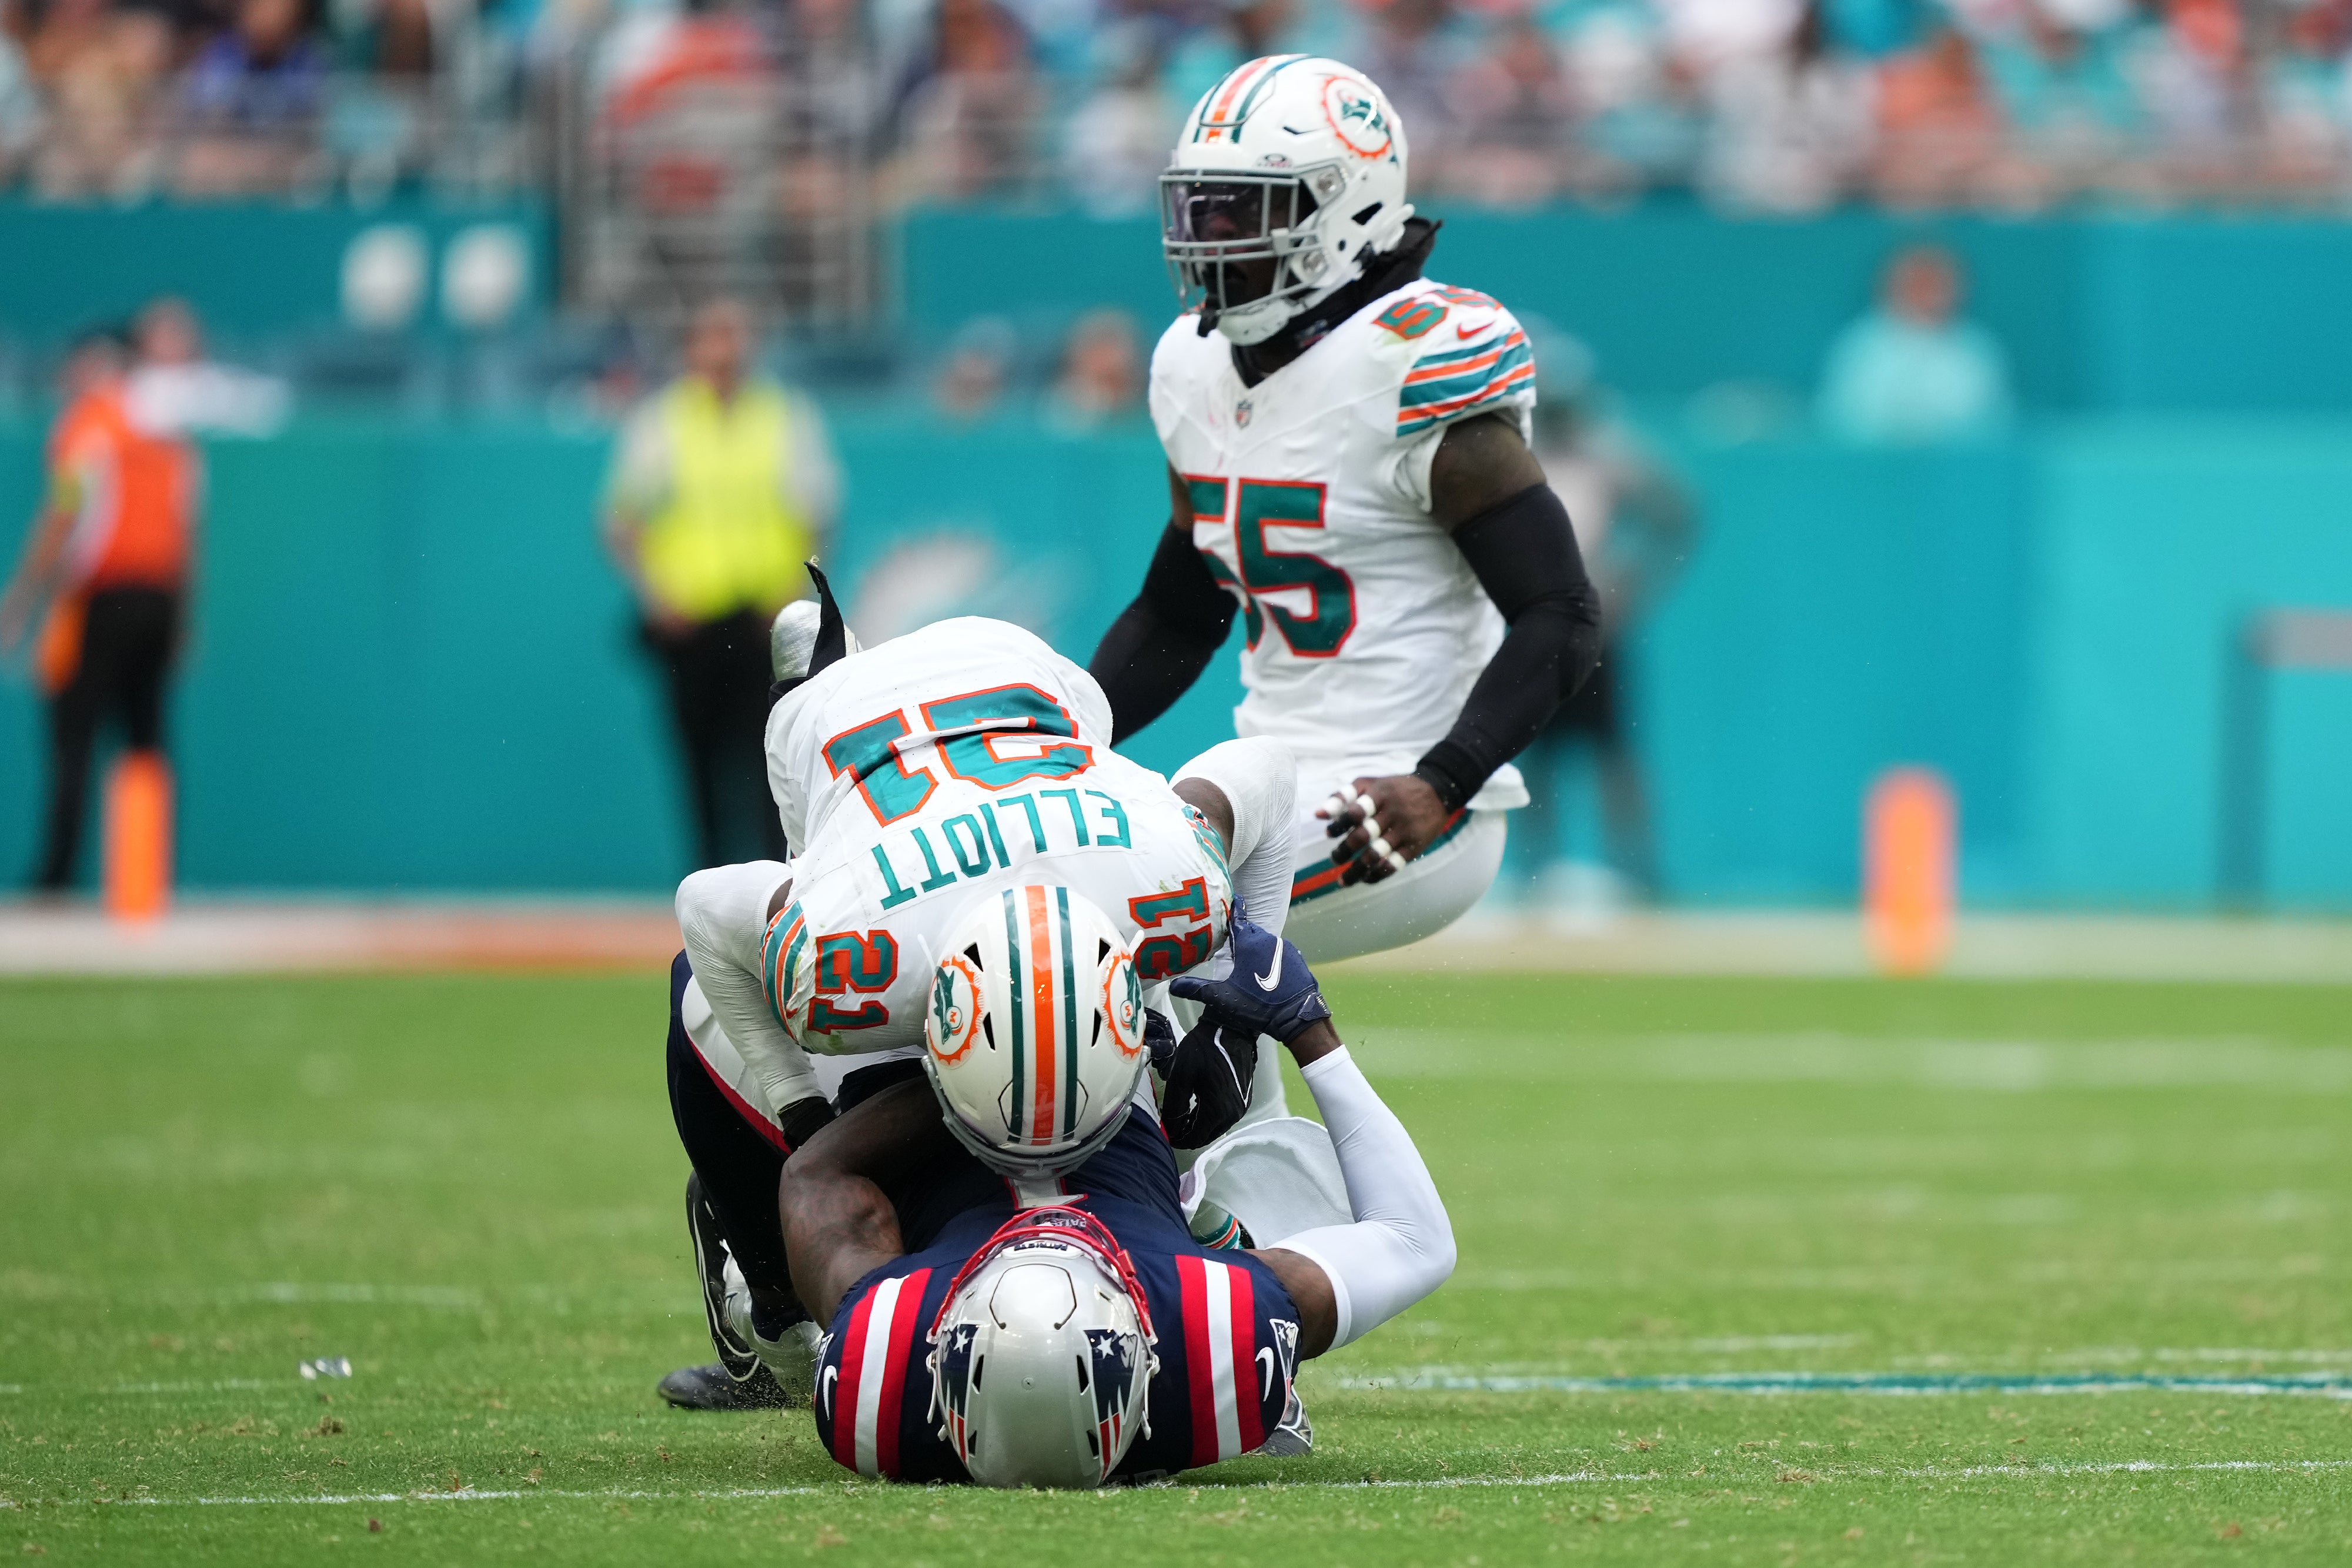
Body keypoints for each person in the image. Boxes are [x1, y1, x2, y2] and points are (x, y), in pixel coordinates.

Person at [656, 582, 1305, 1408]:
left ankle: (1171, 1139)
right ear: (940, 1019)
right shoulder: (846, 954)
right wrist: (805, 1126)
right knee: (695, 992)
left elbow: (1270, 774)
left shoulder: (1163, 877)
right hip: (842, 734)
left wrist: (1235, 1018)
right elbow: (706, 911)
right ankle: (772, 1316)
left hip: (1038, 686)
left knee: (1172, 1060)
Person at [1088, 57, 1603, 985]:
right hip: (1264, 778)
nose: (1211, 236)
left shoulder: (1412, 364)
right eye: (1201, 208)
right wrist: (1056, 740)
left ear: (1346, 207)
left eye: (1244, 210)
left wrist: (1443, 780)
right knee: (1064, 906)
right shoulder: (1190, 367)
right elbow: (1178, 611)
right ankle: (1247, 1135)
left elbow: (1563, 612)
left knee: (1123, 941)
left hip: (1401, 803)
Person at [784, 909, 1453, 1485]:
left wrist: (967, 1075)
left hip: (911, 1092)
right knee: (1247, 790)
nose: (1049, 1236)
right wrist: (1306, 1026)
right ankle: (1206, 1224)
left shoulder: (879, 1374)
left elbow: (815, 1174)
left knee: (728, 965)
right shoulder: (1213, 1336)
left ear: (941, 1345)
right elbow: (1415, 1239)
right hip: (1121, 1109)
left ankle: (755, 1302)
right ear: (1145, 1345)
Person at [603, 298, 841, 870]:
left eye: (732, 337)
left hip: (762, 620)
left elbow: (818, 512)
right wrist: (657, 596)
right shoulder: (663, 420)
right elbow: (622, 522)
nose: (724, 351)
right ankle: (709, 882)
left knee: (773, 763)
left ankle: (772, 882)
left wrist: (792, 588)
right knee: (699, 765)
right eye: (712, 337)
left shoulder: (783, 416)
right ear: (692, 348)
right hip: (693, 622)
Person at [0, 327, 191, 892]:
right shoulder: (167, 435)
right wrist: (183, 616)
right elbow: (189, 528)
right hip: (160, 598)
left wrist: (18, 602)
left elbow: (62, 517)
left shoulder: (89, 427)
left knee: (74, 736)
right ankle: (144, 882)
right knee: (146, 741)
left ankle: (58, 877)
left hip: (102, 598)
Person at [1516, 332, 1698, 907]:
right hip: (1537, 622)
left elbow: (1677, 514)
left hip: (1594, 625)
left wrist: (1631, 582)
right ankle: (1536, 873)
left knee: (1612, 751)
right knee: (1534, 752)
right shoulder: (1519, 455)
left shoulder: (1606, 452)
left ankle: (1639, 871)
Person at [1818, 243, 2013, 443]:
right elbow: (1843, 419)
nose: (1929, 294)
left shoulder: (1977, 350)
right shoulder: (1859, 347)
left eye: (1936, 284)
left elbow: (1988, 424)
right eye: (1918, 283)